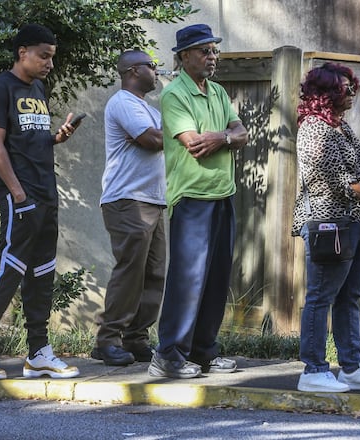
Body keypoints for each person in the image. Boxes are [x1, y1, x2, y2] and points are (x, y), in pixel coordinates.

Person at [0, 24, 80, 380]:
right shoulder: (1, 86)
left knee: (42, 269)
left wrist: (56, 138)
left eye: (52, 58)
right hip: (21, 195)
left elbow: (30, 140)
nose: (49, 64)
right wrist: (18, 195)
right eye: (44, 56)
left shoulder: (38, 88)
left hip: (46, 191)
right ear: (22, 52)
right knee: (11, 265)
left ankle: (39, 352)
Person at [149, 23, 248, 379]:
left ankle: (204, 351)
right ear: (184, 56)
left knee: (217, 276)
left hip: (223, 193)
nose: (212, 57)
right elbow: (194, 144)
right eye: (205, 51)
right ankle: (168, 355)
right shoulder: (174, 94)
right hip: (191, 197)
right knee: (188, 278)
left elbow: (241, 133)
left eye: (213, 51)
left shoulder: (218, 92)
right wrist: (227, 137)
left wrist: (221, 136)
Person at [291, 62, 360, 393]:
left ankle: (352, 367)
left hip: (353, 220)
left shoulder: (339, 127)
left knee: (350, 297)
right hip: (328, 224)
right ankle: (314, 370)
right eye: (347, 88)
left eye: (353, 87)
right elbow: (339, 181)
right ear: (328, 92)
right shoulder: (313, 129)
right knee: (321, 297)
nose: (353, 93)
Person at [91, 50, 166, 366]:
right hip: (128, 200)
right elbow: (151, 140)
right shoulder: (122, 102)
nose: (157, 71)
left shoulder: (148, 108)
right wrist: (183, 134)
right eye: (152, 66)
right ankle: (108, 340)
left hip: (154, 200)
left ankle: (135, 338)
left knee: (156, 273)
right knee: (130, 270)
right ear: (134, 71)